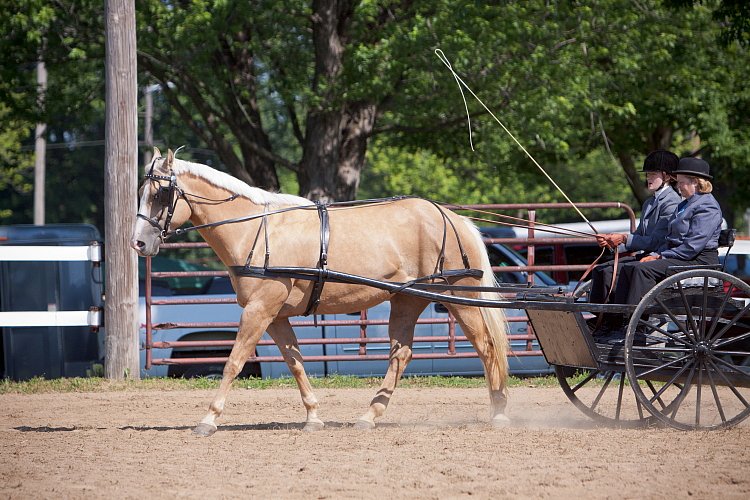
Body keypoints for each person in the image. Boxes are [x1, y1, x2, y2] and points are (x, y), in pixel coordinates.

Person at [602, 157, 723, 344]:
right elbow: (671, 239)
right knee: (631, 267)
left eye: (682, 183)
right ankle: (618, 322)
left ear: (696, 183)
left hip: (698, 260)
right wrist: (656, 253)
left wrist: (661, 255)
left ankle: (637, 326)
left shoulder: (707, 206)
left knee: (643, 270)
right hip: (680, 255)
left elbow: (692, 246)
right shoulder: (685, 205)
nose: (679, 187)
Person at [588, 150, 681, 334]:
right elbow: (639, 235)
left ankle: (620, 321)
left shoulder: (671, 203)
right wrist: (613, 243)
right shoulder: (649, 203)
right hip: (645, 254)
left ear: (667, 176)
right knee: (602, 270)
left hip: (657, 256)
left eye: (653, 173)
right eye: (647, 174)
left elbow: (656, 241)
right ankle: (603, 318)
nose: (648, 178)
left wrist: (623, 238)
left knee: (615, 272)